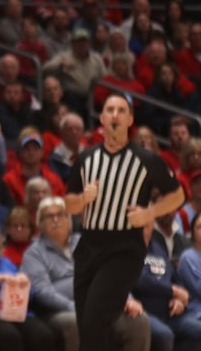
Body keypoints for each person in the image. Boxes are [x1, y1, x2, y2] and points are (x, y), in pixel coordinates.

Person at [64, 90, 186, 351]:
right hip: (88, 246)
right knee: (86, 323)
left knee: (96, 316)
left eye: (121, 110)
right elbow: (69, 204)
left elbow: (177, 195)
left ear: (130, 119)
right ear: (102, 119)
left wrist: (149, 213)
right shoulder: (86, 158)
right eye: (109, 110)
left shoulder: (147, 159)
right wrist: (83, 199)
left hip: (124, 249)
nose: (115, 115)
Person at [20, 195, 151, 351]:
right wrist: (76, 307)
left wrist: (127, 299)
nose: (56, 220)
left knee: (138, 320)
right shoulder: (34, 253)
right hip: (59, 312)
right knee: (75, 321)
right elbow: (43, 291)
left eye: (60, 214)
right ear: (39, 224)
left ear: (69, 220)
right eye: (49, 216)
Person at [0, 212, 54, 351]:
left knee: (43, 335)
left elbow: (28, 297)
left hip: (15, 313)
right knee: (9, 337)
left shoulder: (6, 263)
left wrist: (25, 285)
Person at [130, 218, 201, 351]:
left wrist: (179, 299)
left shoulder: (158, 246)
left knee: (197, 331)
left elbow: (175, 278)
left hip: (170, 312)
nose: (144, 226)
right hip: (145, 311)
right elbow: (139, 280)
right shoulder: (129, 249)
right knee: (164, 335)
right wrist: (171, 290)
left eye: (147, 222)